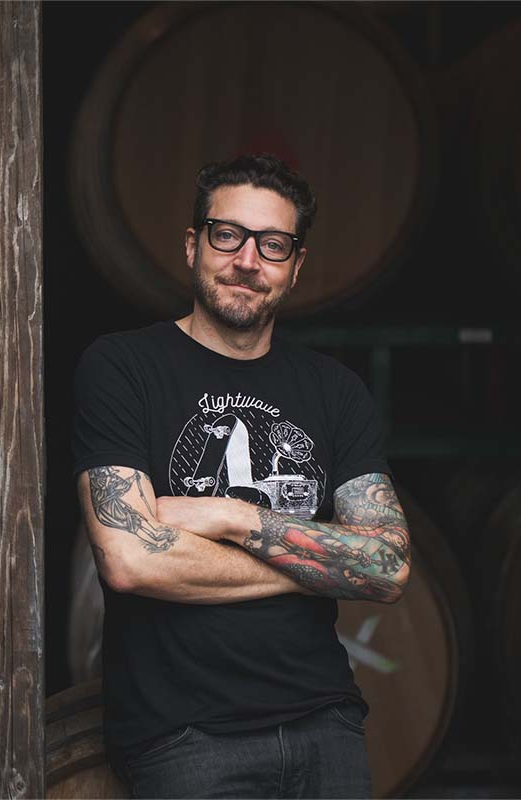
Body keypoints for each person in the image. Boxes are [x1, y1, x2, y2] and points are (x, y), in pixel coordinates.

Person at [71, 154, 411, 798]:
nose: (248, 261)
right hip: (185, 735)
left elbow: (387, 566)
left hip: (326, 721)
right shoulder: (122, 368)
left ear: (296, 266)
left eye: (273, 245)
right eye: (228, 235)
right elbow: (131, 561)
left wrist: (234, 517)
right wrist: (312, 564)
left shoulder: (335, 392)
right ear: (193, 244)